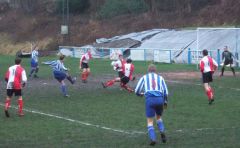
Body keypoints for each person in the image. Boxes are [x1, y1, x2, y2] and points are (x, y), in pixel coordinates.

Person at [135, 64, 168, 146]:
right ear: (155, 71)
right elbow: (166, 92)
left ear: (148, 70)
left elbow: (137, 90)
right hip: (160, 99)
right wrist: (165, 102)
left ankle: (153, 138)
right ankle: (162, 131)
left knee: (150, 120)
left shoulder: (144, 77)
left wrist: (141, 94)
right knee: (159, 117)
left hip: (150, 100)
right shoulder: (160, 78)